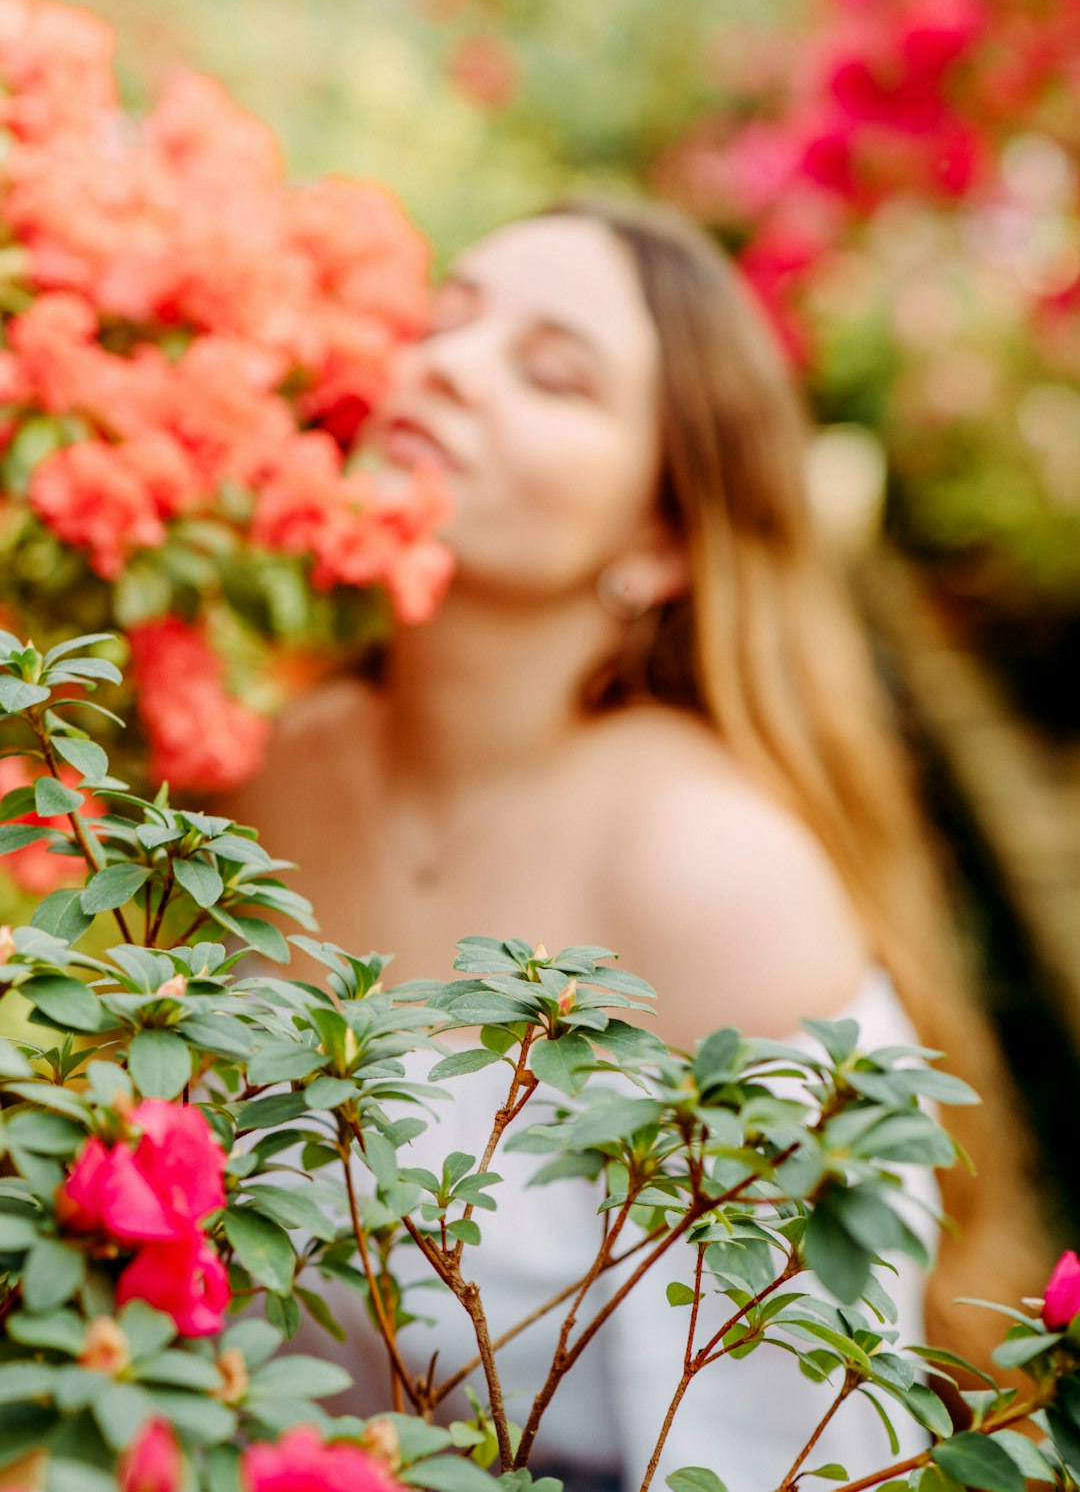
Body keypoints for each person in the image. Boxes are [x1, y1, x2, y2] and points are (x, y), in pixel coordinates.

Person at [228, 197, 1041, 1490]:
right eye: (445, 320)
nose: (445, 365)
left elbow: (792, 1457)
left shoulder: (712, 875)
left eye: (553, 373)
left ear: (661, 535)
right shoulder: (277, 761)